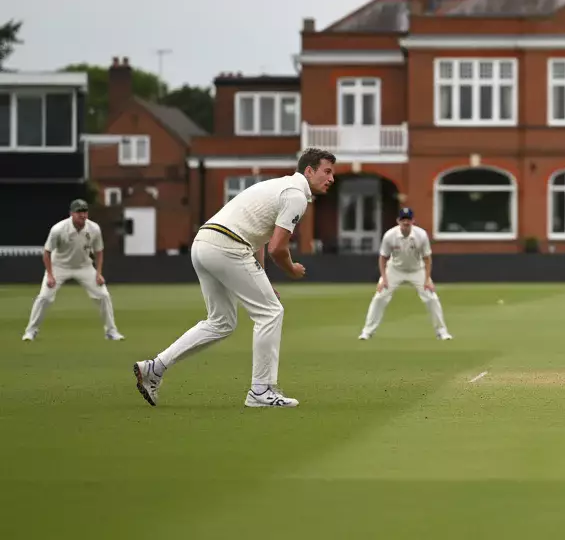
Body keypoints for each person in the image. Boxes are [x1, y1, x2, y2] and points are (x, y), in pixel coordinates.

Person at [132, 148, 336, 408]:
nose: (331, 178)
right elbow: (277, 247)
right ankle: (260, 391)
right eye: (326, 172)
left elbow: (259, 240)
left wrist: (263, 280)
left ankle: (154, 368)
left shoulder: (279, 186)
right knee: (270, 313)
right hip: (227, 247)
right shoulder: (295, 195)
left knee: (221, 322)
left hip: (204, 244)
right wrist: (291, 269)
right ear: (309, 171)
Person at [22, 199, 124, 341]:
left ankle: (111, 332)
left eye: (85, 212)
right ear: (71, 213)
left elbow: (99, 251)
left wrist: (99, 273)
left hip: (84, 266)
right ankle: (30, 331)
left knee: (103, 296)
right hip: (59, 266)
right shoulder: (58, 229)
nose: (82, 215)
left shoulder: (94, 229)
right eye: (79, 212)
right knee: (44, 297)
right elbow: (46, 252)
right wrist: (50, 275)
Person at [358, 207, 450, 341]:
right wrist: (383, 278)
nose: (406, 223)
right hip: (395, 269)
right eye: (403, 220)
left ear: (413, 221)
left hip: (417, 270)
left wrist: (427, 279)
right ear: (398, 221)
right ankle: (367, 332)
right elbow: (383, 257)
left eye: (408, 220)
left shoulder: (421, 235)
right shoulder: (390, 235)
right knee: (379, 297)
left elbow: (427, 258)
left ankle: (442, 332)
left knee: (431, 298)